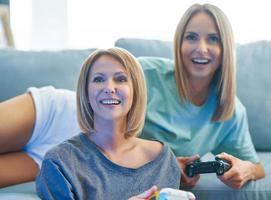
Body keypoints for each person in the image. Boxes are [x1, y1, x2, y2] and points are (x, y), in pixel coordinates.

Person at [0, 3, 265, 189]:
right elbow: (98, 85)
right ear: (179, 42)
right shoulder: (146, 71)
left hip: (82, 164)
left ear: (226, 47)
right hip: (57, 117)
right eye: (191, 37)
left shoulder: (229, 112)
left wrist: (246, 170)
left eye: (213, 39)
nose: (201, 48)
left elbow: (256, 166)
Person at [35, 48, 181, 199]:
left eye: (121, 79)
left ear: (135, 91)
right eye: (98, 79)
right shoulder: (60, 162)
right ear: (85, 92)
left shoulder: (163, 160)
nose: (109, 88)